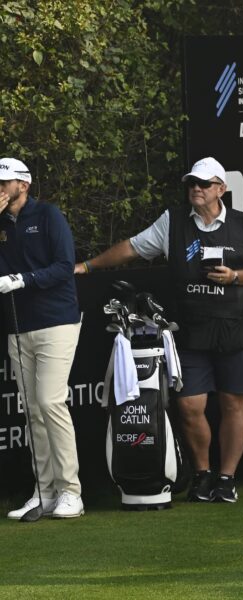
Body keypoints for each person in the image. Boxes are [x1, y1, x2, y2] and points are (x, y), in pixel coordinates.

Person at [75, 157, 243, 503]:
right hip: (191, 326)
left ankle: (226, 477)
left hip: (235, 323)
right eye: (191, 184)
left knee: (233, 402)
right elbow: (132, 248)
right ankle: (202, 474)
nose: (196, 189)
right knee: (189, 405)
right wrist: (89, 265)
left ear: (221, 189)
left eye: (203, 184)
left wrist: (235, 277)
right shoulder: (173, 222)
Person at [0, 158, 84, 519]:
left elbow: (65, 266)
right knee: (33, 410)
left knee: (50, 402)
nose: (0, 187)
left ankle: (71, 491)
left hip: (56, 321)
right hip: (19, 326)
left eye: (6, 181)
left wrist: (23, 280)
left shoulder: (49, 216)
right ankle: (44, 491)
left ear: (25, 184)